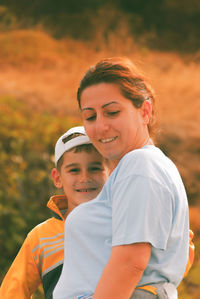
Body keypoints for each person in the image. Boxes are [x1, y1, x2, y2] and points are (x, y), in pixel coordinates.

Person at [53, 57, 192, 299]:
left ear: (144, 111)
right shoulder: (134, 169)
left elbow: (131, 263)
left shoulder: (141, 165)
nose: (100, 126)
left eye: (112, 112)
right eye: (90, 116)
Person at [0, 126, 110, 299]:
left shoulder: (124, 224)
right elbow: (12, 291)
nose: (85, 178)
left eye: (95, 168)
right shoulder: (40, 237)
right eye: (74, 170)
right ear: (57, 178)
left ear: (110, 173)